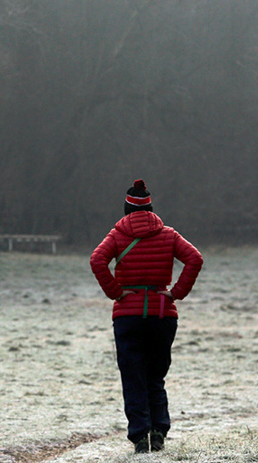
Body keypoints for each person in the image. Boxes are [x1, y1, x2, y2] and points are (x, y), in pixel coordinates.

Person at [90, 179, 204, 454]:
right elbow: (195, 259)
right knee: (156, 376)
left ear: (127, 210)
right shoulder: (168, 234)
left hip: (127, 316)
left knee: (133, 377)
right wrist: (175, 293)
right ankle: (159, 431)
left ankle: (140, 436)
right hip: (162, 314)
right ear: (151, 208)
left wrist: (116, 293)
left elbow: (97, 260)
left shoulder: (117, 235)